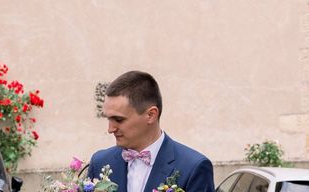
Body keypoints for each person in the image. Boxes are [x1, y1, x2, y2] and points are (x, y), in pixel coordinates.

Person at [87, 71, 215, 192]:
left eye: (118, 119)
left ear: (151, 115)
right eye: (108, 118)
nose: (110, 129)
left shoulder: (193, 167)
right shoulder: (100, 162)